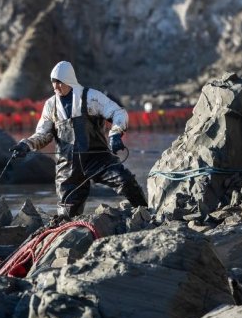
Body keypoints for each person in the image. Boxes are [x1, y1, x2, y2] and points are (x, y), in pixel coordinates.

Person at [10, 60, 148, 219]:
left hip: (98, 159)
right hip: (67, 167)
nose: (55, 86)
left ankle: (147, 214)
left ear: (68, 80)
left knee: (126, 181)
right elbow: (43, 134)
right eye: (53, 81)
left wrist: (116, 134)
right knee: (66, 215)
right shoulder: (50, 105)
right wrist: (26, 145)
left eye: (59, 82)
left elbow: (119, 113)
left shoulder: (92, 97)